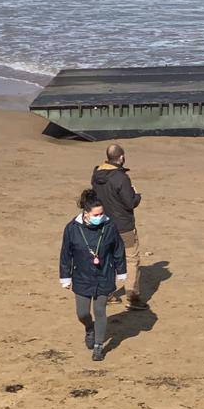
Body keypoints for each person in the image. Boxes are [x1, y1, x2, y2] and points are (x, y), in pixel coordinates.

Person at [60, 189, 126, 362]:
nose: (100, 216)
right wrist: (65, 277)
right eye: (96, 214)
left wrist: (121, 271)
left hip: (104, 275)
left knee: (100, 310)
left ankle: (98, 346)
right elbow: (66, 254)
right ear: (86, 213)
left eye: (102, 213)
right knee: (82, 313)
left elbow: (118, 249)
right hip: (81, 276)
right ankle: (90, 328)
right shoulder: (72, 229)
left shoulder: (109, 226)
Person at [92, 143, 148, 310]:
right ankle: (132, 297)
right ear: (121, 157)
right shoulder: (121, 178)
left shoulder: (96, 175)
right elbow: (130, 202)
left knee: (106, 258)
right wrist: (137, 195)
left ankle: (106, 293)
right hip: (124, 226)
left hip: (103, 225)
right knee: (131, 259)